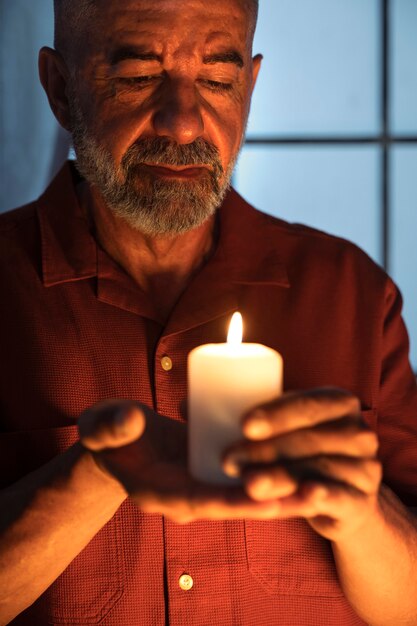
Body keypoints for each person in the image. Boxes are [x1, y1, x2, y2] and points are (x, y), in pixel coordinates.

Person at [0, 0, 416, 624]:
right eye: (139, 77)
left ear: (249, 87)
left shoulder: (349, 292)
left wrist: (360, 512)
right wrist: (96, 472)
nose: (185, 124)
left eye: (218, 81)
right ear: (61, 89)